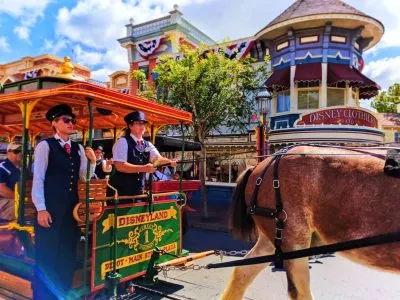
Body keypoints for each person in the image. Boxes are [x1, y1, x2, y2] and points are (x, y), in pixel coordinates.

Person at [32, 104, 96, 299]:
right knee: (47, 254)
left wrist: (92, 162)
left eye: (72, 121)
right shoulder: (45, 146)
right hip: (50, 208)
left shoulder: (78, 148)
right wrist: (41, 209)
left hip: (71, 210)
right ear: (54, 123)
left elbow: (84, 178)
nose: (71, 124)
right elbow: (39, 179)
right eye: (66, 120)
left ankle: (63, 292)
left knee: (67, 253)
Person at [110, 111, 177, 201]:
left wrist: (169, 161)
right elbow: (120, 166)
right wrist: (143, 168)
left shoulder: (147, 145)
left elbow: (157, 159)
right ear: (130, 126)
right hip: (121, 194)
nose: (142, 126)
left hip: (138, 192)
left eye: (143, 123)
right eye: (138, 123)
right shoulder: (122, 142)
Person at [0, 142, 22, 222]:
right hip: (3, 200)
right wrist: (20, 199)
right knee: (22, 207)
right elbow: (2, 190)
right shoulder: (2, 167)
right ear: (8, 153)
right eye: (16, 151)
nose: (20, 153)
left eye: (21, 151)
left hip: (15, 200)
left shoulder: (22, 169)